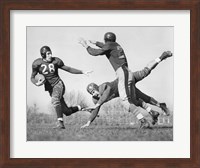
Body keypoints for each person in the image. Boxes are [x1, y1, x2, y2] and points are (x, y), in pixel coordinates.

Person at [79, 32, 172, 128]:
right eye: (91, 93)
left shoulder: (102, 88)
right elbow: (96, 108)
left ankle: (143, 121)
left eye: (93, 91)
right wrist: (89, 122)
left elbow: (96, 52)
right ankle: (154, 110)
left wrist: (86, 45)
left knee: (125, 102)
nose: (93, 94)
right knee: (137, 98)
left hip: (123, 76)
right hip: (127, 75)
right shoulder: (115, 45)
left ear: (96, 87)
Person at [31, 46, 92, 129]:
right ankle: (81, 107)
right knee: (66, 111)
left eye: (50, 53)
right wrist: (36, 83)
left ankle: (60, 123)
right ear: (43, 55)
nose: (50, 55)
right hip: (50, 89)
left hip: (58, 84)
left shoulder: (56, 61)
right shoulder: (37, 64)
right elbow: (32, 77)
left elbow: (68, 69)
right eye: (48, 53)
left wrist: (82, 72)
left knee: (55, 100)